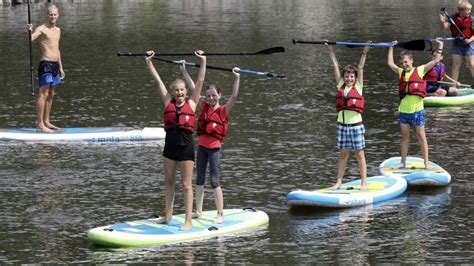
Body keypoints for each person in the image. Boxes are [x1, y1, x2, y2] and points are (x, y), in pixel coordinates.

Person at [145, 50, 206, 231]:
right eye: (176, 90)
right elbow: (158, 81)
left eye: (181, 90)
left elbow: (200, 81)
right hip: (170, 146)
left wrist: (203, 61)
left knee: (186, 185)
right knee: (169, 182)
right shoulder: (167, 102)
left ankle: (188, 220)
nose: (179, 93)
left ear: (186, 92)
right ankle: (168, 214)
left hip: (186, 147)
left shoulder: (192, 103)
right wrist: (149, 62)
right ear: (173, 92)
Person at [192, 68, 240, 224]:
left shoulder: (223, 111)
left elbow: (234, 96)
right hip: (201, 148)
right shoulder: (205, 107)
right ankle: (198, 211)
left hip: (214, 150)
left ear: (219, 95)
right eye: (208, 96)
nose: (211, 98)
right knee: (199, 178)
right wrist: (184, 70)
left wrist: (236, 78)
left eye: (214, 95)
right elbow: (194, 87)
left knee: (214, 181)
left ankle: (220, 213)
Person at [387, 39, 444, 170]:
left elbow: (436, 60)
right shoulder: (401, 72)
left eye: (406, 62)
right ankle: (403, 162)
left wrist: (440, 45)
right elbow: (390, 63)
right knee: (404, 137)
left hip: (417, 110)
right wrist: (390, 47)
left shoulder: (420, 70)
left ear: (411, 61)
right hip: (404, 111)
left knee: (421, 137)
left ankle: (426, 162)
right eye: (402, 63)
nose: (404, 64)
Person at [325, 42, 371, 191]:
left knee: (359, 155)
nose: (349, 79)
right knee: (343, 155)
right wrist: (330, 50)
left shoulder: (358, 86)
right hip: (342, 126)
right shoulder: (340, 86)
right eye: (347, 76)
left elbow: (361, 67)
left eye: (352, 76)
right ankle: (338, 182)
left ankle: (364, 182)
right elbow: (335, 66)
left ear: (355, 78)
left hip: (356, 125)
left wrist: (364, 51)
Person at [27, 4, 65, 132]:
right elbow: (30, 39)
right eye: (50, 14)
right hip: (45, 64)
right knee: (43, 94)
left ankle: (47, 122)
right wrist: (28, 31)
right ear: (47, 15)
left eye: (55, 14)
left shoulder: (58, 30)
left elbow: (57, 49)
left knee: (51, 94)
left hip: (55, 65)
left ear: (58, 16)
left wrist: (61, 67)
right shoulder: (42, 29)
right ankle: (39, 124)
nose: (53, 16)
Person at [439, 0, 474, 80]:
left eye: (470, 10)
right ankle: (454, 86)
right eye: (467, 10)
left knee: (472, 65)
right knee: (455, 65)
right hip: (457, 44)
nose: (469, 12)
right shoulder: (453, 18)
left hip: (469, 45)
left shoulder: (472, 19)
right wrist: (442, 21)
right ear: (461, 10)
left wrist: (470, 40)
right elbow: (444, 27)